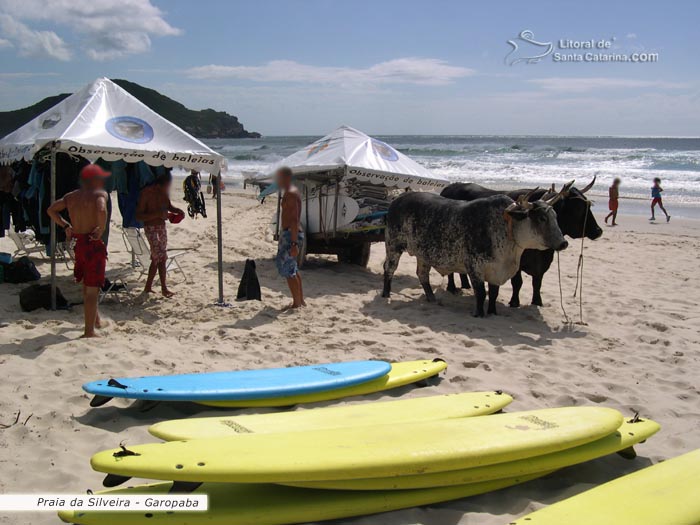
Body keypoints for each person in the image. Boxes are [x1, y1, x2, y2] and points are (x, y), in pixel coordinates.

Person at [47, 164, 109, 338]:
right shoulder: (100, 194)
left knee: (87, 283)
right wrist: (101, 228)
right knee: (92, 289)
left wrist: (66, 225)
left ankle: (95, 320)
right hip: (92, 242)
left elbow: (51, 210)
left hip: (78, 243)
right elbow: (101, 209)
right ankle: (89, 331)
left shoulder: (71, 196)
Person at [135, 169, 184, 298]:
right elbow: (139, 215)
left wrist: (178, 211)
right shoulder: (146, 194)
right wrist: (157, 214)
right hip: (151, 228)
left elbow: (169, 207)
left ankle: (148, 287)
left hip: (161, 227)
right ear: (158, 185)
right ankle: (163, 288)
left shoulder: (163, 194)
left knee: (157, 257)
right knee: (161, 257)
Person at [275, 166, 305, 309]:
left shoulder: (291, 194)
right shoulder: (291, 192)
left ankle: (297, 303)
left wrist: (293, 243)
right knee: (293, 268)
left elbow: (293, 219)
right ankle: (300, 300)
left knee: (289, 270)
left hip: (290, 234)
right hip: (290, 233)